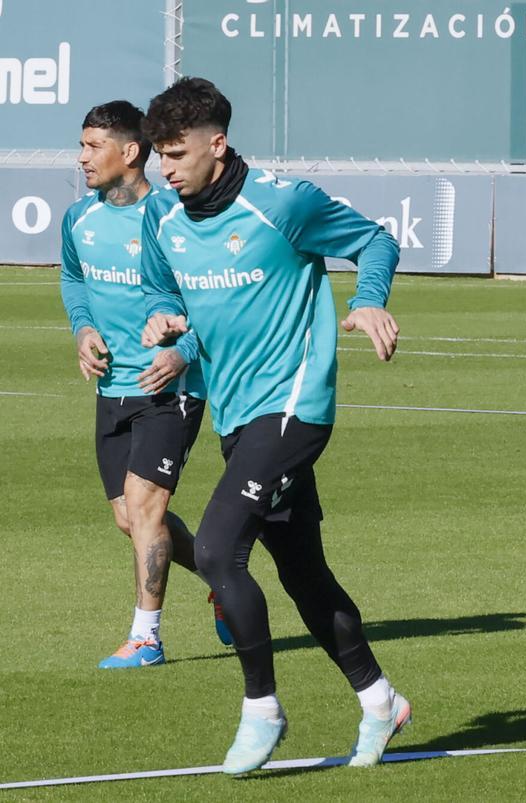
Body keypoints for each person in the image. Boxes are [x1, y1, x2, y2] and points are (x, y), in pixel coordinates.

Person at [138, 77, 406, 773]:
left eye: (175, 153)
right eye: (159, 155)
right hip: (234, 411)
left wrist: (369, 300)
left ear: (217, 145)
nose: (164, 169)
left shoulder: (284, 202)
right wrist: (174, 334)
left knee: (222, 546)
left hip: (294, 406)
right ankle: (381, 700)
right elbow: (184, 302)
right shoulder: (161, 218)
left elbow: (375, 242)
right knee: (302, 572)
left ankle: (263, 708)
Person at [59, 100, 228, 669]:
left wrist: (183, 352)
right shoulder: (78, 218)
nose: (82, 157)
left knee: (145, 506)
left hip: (169, 387)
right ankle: (224, 582)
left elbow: (212, 294)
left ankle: (146, 638)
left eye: (92, 146)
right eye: (82, 145)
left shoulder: (171, 218)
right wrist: (82, 328)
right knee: (130, 520)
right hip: (112, 391)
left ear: (130, 152)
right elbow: (73, 278)